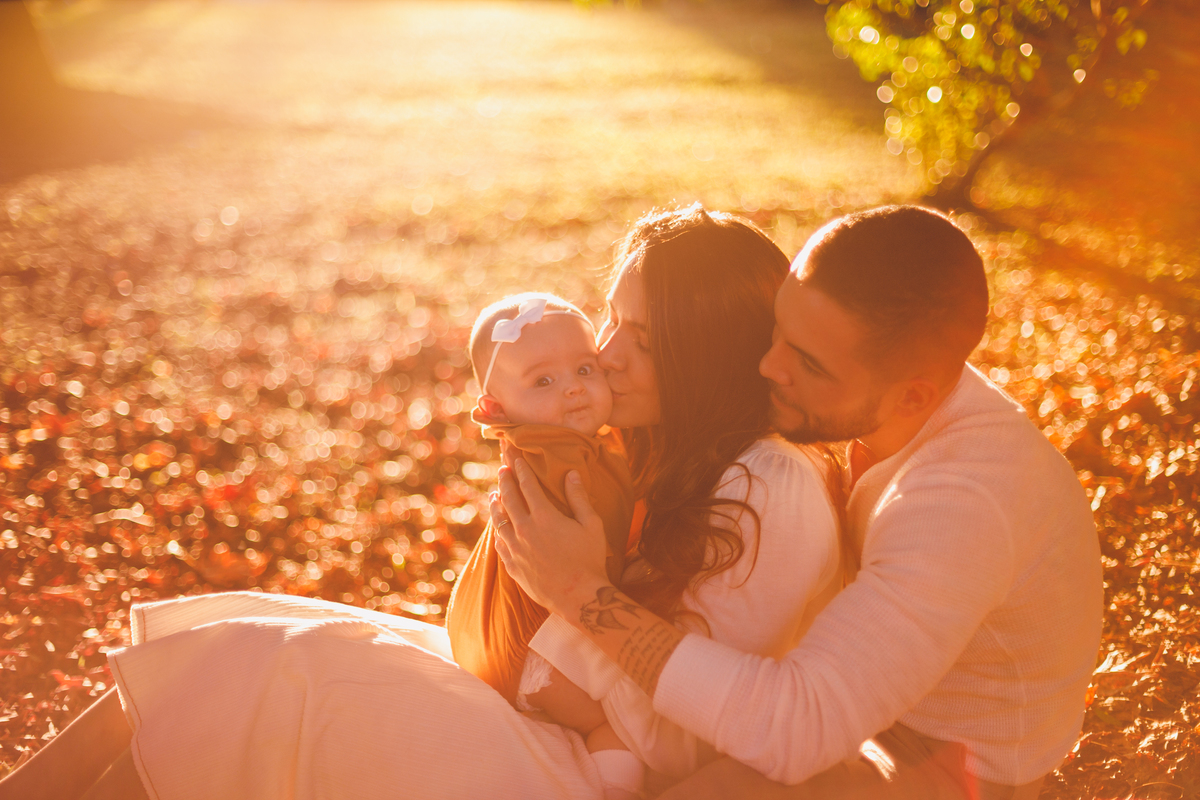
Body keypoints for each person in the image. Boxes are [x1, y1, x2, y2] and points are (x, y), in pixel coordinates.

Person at [0, 204, 843, 800]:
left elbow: (694, 741)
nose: (607, 354)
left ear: (711, 357)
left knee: (277, 672)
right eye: (612, 322)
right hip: (535, 703)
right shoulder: (654, 445)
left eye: (645, 341)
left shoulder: (770, 489)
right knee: (240, 648)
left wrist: (577, 596)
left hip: (583, 770)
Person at [491, 204, 1104, 800]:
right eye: (779, 331)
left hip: (946, 764)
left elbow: (798, 728)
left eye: (806, 363)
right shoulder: (870, 404)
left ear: (913, 398)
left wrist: (579, 594)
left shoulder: (960, 502)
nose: (764, 365)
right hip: (862, 717)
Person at [446, 291, 642, 799]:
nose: (574, 390)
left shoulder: (568, 440)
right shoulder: (554, 461)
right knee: (619, 725)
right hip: (537, 651)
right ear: (494, 409)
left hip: (540, 632)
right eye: (544, 381)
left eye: (584, 368)